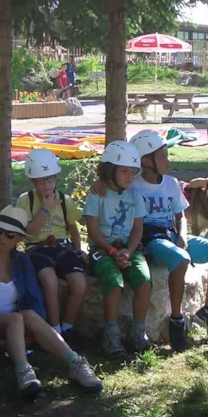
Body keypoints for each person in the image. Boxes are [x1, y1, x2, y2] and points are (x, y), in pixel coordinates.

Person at [0, 206, 103, 397]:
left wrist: (35, 333)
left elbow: (34, 299)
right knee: (15, 318)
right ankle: (24, 371)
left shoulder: (22, 261)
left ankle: (76, 363)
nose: (1, 238)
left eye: (9, 235)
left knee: (28, 315)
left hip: (19, 325)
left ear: (19, 239)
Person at [127, 130, 208, 351]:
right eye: (163, 156)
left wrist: (182, 236)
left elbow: (180, 216)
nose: (168, 160)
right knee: (181, 258)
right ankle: (176, 319)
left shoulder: (171, 183)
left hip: (173, 235)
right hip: (152, 239)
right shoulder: (133, 186)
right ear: (146, 161)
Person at [83, 141, 153, 359]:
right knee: (113, 282)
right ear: (109, 170)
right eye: (124, 171)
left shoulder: (135, 195)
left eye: (133, 172)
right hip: (103, 250)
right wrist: (112, 252)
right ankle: (111, 334)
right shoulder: (97, 194)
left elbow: (138, 228)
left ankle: (138, 331)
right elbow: (93, 231)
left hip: (129, 249)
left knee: (144, 280)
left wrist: (129, 252)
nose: (129, 177)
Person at [16, 149, 87, 343]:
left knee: (79, 284)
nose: (46, 185)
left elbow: (73, 229)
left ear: (55, 178)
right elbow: (29, 233)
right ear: (32, 181)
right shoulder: (26, 201)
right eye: (41, 181)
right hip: (37, 248)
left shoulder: (65, 201)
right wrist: (46, 209)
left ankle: (68, 326)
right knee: (49, 281)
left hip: (62, 247)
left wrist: (78, 249)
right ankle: (55, 330)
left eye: (50, 180)